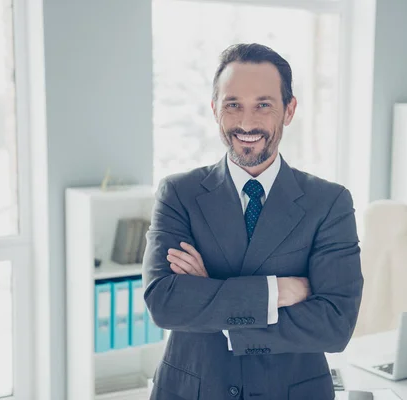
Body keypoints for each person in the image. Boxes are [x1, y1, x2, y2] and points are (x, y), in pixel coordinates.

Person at [142, 43, 363, 400]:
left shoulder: (330, 202)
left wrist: (212, 294)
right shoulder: (178, 193)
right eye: (233, 105)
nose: (246, 123)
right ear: (215, 109)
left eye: (263, 105)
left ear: (289, 110)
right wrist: (279, 292)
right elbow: (165, 303)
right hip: (192, 388)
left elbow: (334, 325)